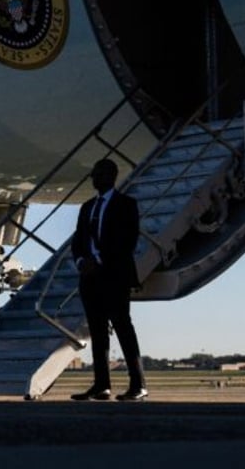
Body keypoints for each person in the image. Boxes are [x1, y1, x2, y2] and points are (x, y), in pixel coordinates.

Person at [70, 158, 147, 402]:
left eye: (100, 174)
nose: (95, 178)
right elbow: (78, 241)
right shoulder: (87, 207)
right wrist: (82, 262)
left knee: (123, 328)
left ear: (112, 176)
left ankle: (138, 384)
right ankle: (102, 385)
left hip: (114, 276)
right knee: (97, 332)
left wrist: (100, 260)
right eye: (94, 174)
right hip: (89, 278)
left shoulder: (126, 205)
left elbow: (127, 241)